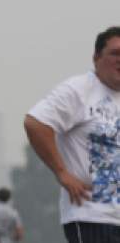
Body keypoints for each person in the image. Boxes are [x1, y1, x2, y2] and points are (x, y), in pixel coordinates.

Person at [24, 26, 120, 242]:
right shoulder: (79, 90)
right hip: (91, 217)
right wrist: (62, 173)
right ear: (96, 57)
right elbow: (35, 123)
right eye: (115, 53)